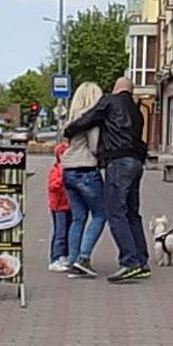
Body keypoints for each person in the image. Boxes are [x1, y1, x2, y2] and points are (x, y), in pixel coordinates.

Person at [63, 76, 150, 283]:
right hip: (136, 162)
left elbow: (88, 119)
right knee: (132, 213)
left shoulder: (110, 101)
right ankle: (141, 261)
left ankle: (129, 262)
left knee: (115, 212)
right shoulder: (137, 111)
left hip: (118, 162)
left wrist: (69, 130)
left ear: (115, 88)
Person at [59, 82, 108, 278]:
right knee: (100, 214)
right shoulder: (91, 118)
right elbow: (94, 146)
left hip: (68, 169)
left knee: (78, 218)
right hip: (86, 169)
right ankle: (84, 258)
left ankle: (72, 260)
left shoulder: (72, 118)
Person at [46, 141, 72, 272]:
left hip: (68, 205)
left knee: (67, 231)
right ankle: (55, 258)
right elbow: (52, 186)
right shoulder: (56, 170)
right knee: (60, 232)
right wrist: (62, 178)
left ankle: (64, 256)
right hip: (58, 206)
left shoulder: (69, 170)